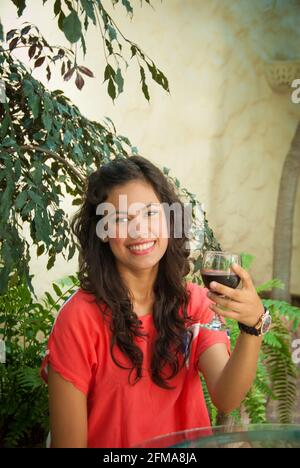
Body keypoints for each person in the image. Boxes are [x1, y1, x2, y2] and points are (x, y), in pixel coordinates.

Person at [40, 156, 267, 448]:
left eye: (150, 213)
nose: (140, 230)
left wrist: (253, 326)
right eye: (121, 219)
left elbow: (226, 396)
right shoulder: (79, 318)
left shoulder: (195, 304)